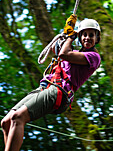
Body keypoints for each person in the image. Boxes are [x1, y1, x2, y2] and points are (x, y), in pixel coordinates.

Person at [1, 14, 101, 151]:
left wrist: (71, 37)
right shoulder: (75, 51)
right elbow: (56, 48)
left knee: (18, 117)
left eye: (91, 35)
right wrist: (67, 33)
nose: (87, 38)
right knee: (6, 122)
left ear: (97, 38)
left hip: (59, 91)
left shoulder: (94, 57)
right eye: (84, 34)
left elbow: (63, 55)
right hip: (46, 86)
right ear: (80, 37)